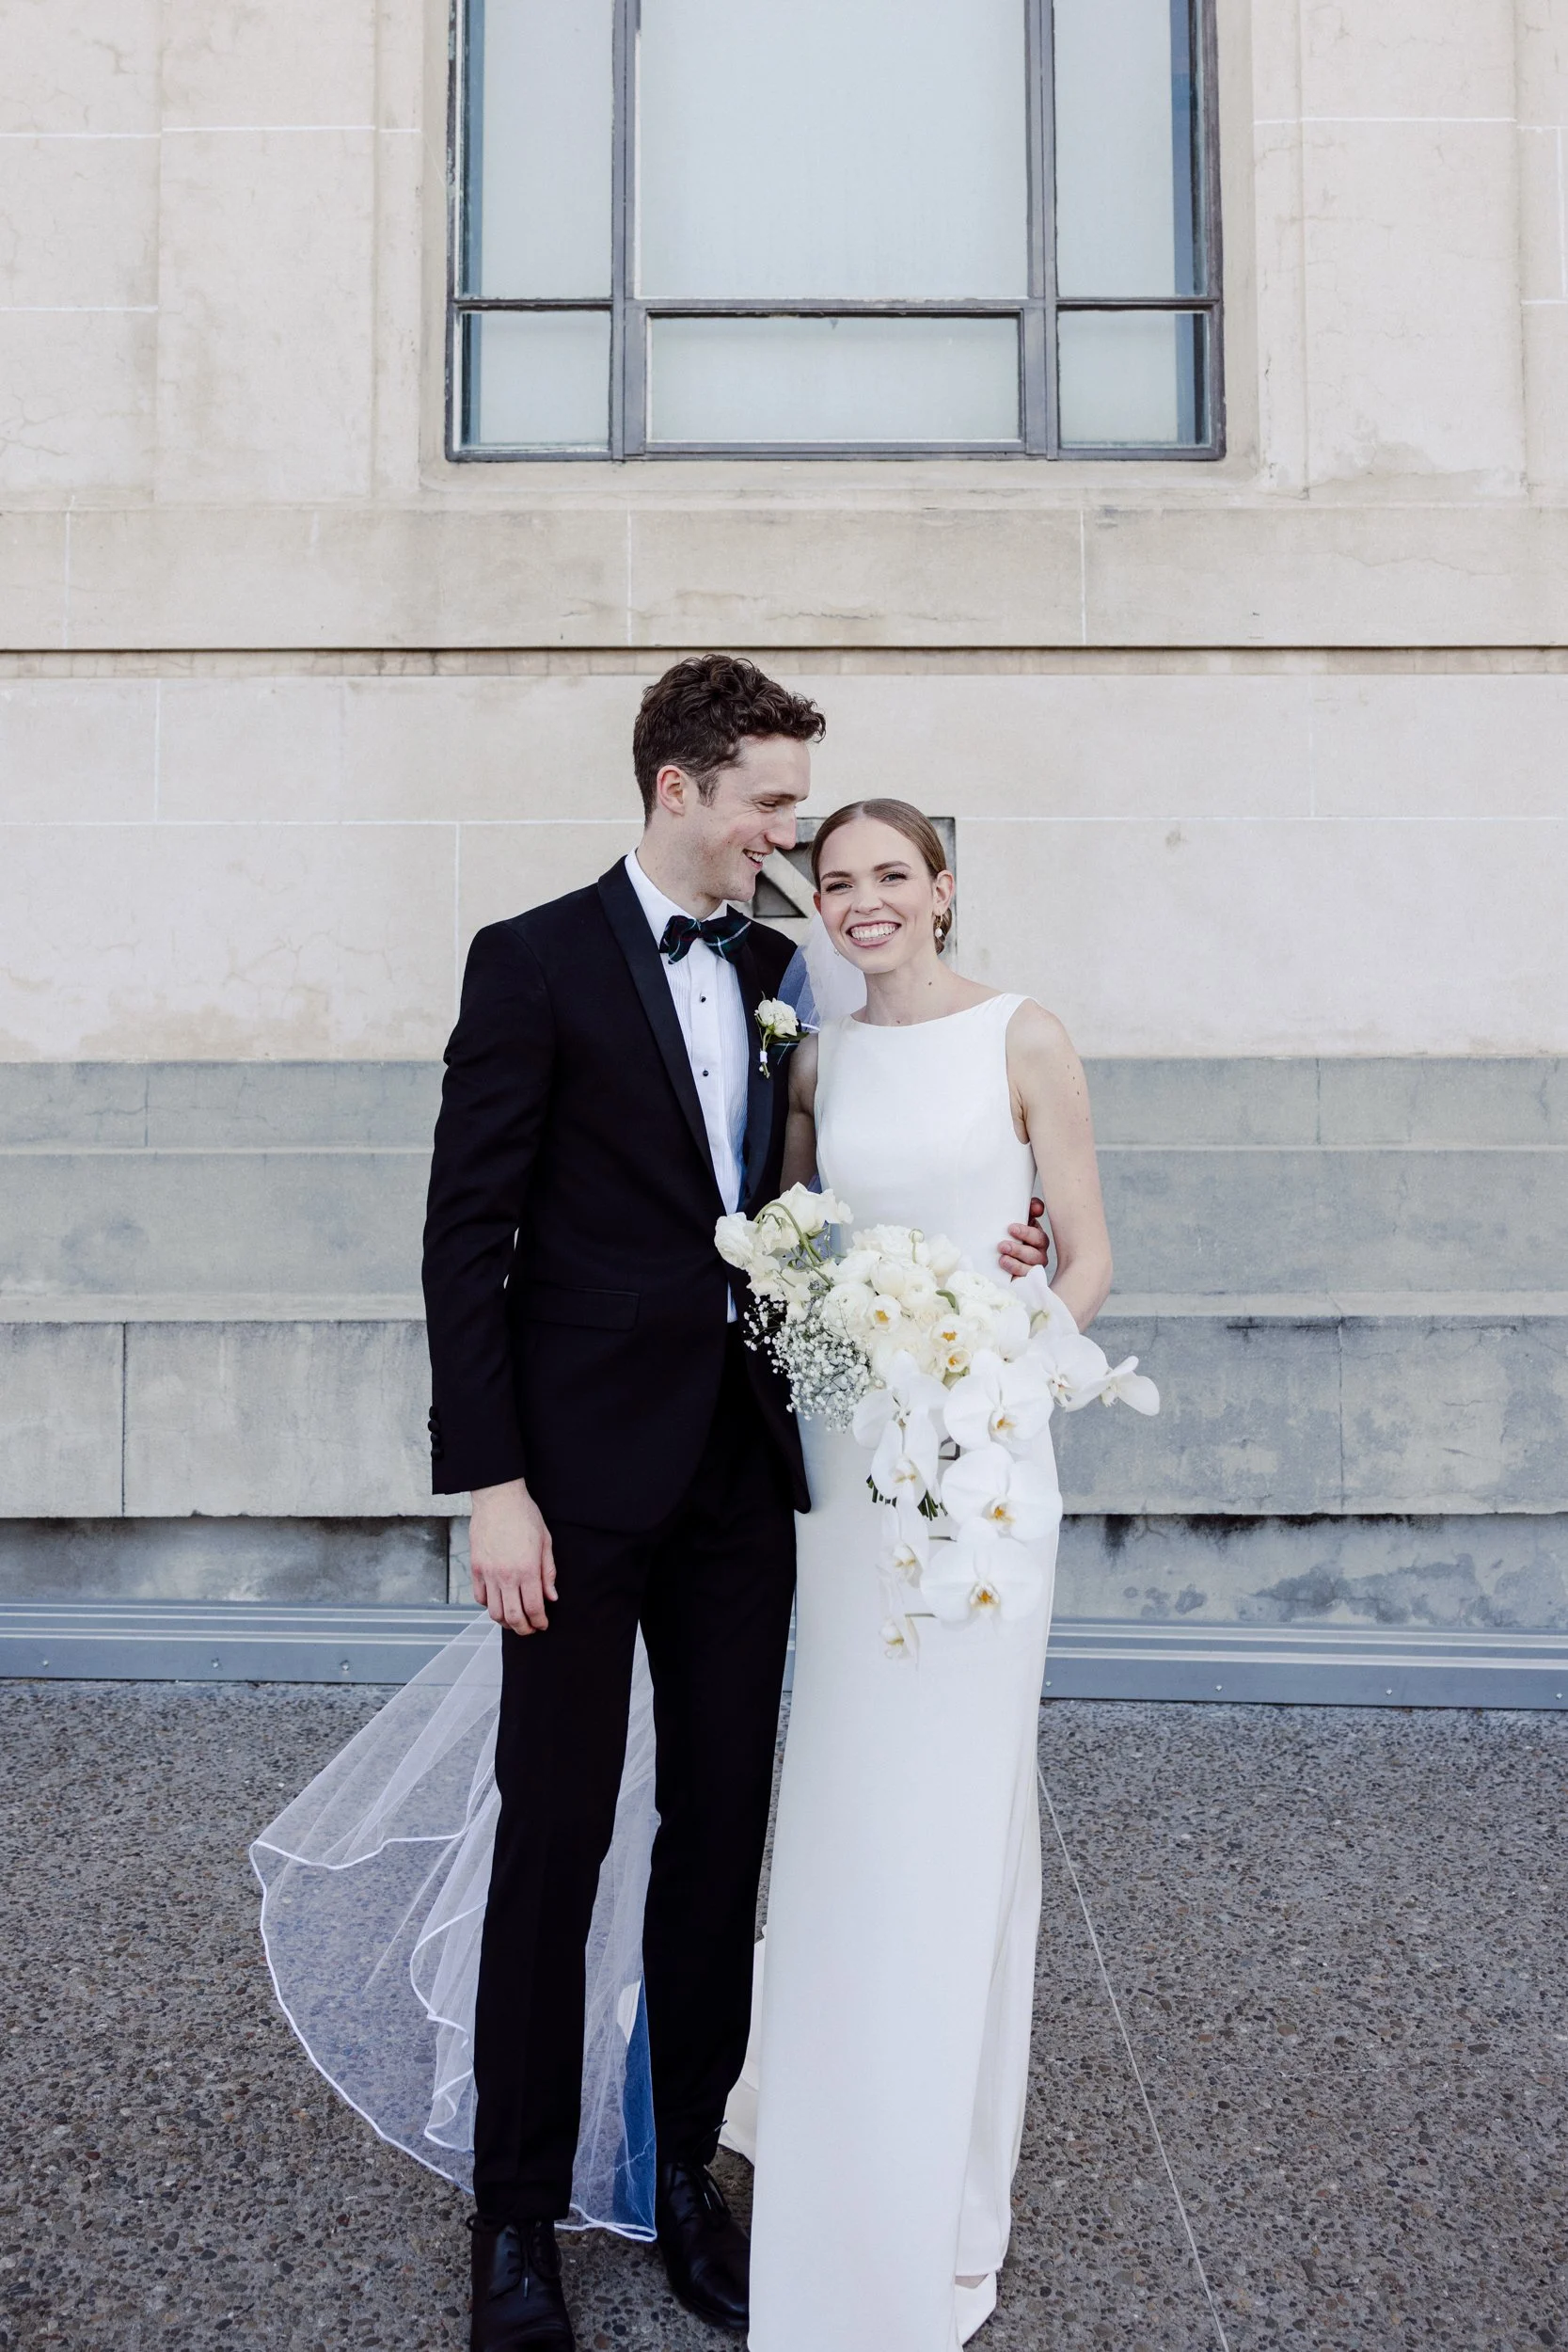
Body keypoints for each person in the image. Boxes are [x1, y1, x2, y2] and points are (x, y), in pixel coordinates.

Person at [249, 666, 1054, 2352]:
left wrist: (985, 1255)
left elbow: (812, 1206)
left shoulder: (782, 974)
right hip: (566, 1487)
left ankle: (686, 2169)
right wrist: (494, 1485)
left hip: (740, 1482)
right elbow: (463, 1241)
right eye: (772, 803)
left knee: (714, 1835)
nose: (792, 836)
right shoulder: (529, 959)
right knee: (553, 1835)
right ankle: (516, 2222)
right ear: (683, 789)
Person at [738, 796, 1114, 2352]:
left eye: (893, 876)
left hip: (983, 1455)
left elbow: (1085, 1251)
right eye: (838, 883)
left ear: (943, 890)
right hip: (847, 1455)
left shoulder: (1025, 1036)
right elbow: (798, 1238)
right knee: (843, 1784)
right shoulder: (814, 1063)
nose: (866, 902)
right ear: (816, 906)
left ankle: (942, 2164)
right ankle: (829, 2103)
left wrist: (1009, 1365)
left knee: (959, 1793)